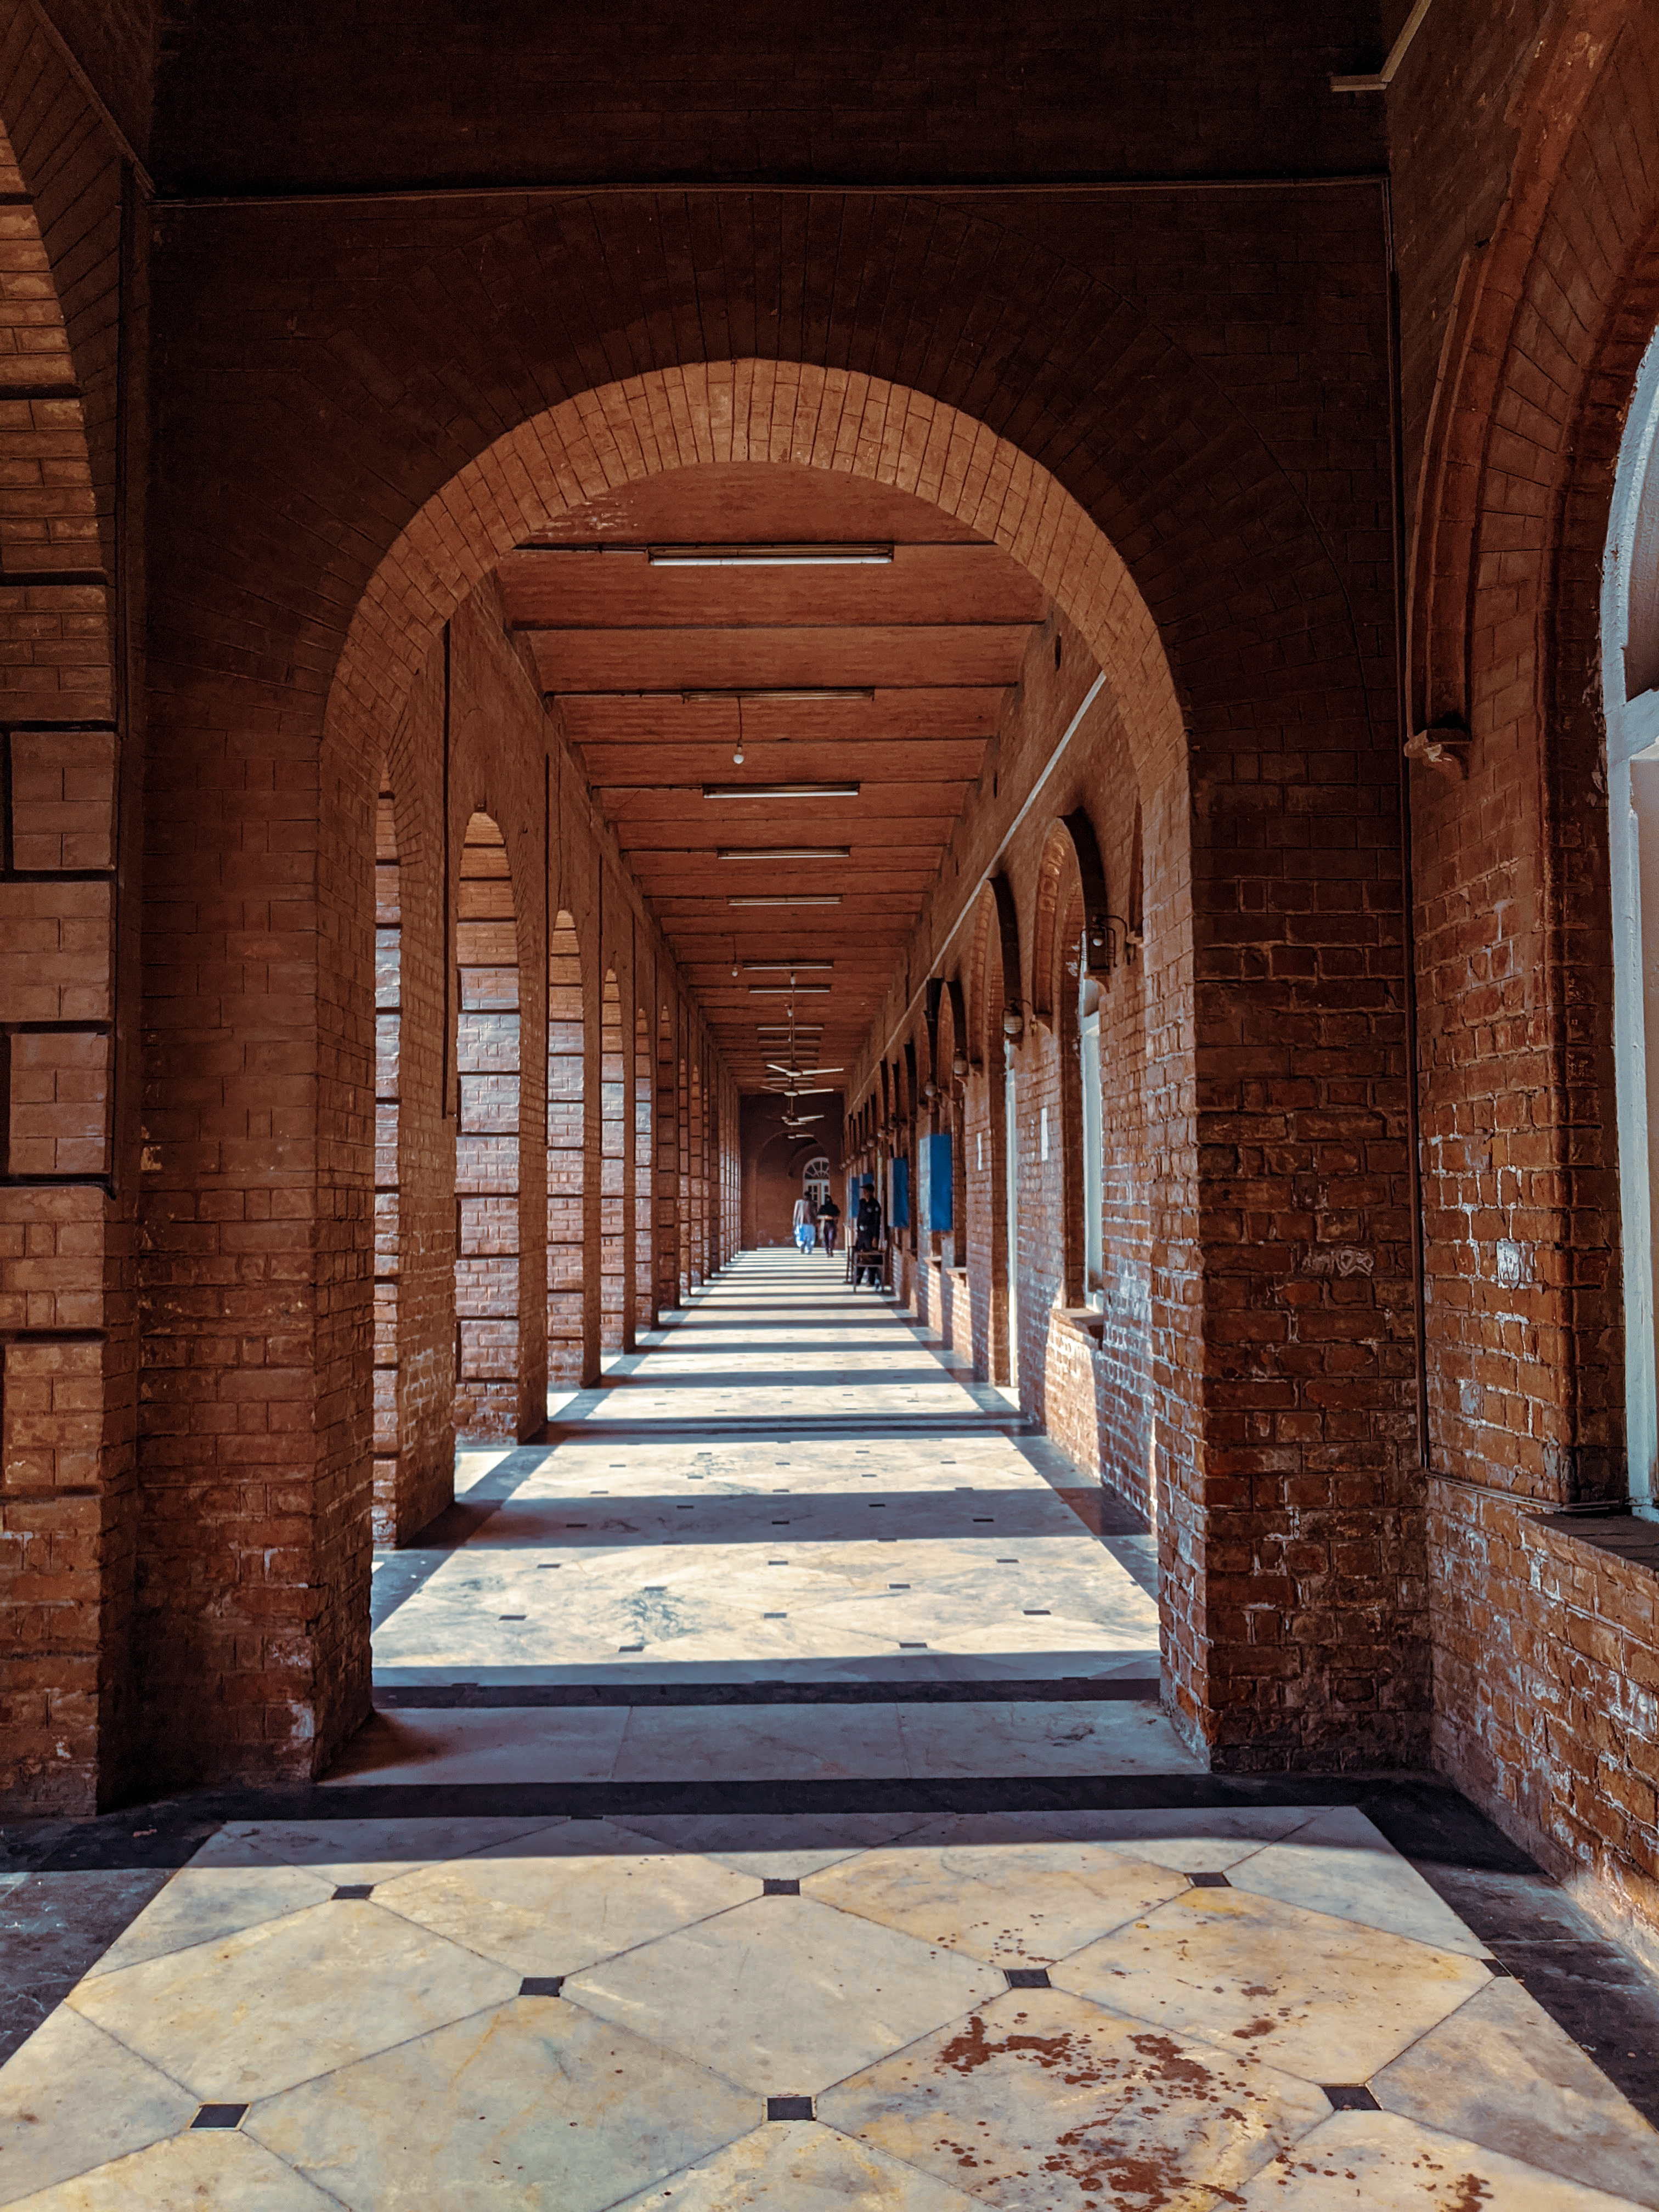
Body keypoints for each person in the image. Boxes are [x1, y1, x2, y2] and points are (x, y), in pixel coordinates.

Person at [851, 1176, 885, 1288]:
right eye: (863, 1191)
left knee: (870, 1257)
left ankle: (871, 1281)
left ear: (871, 1192)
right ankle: (857, 1280)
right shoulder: (862, 1203)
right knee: (860, 1256)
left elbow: (877, 1222)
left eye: (866, 1191)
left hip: (870, 1234)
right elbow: (859, 1217)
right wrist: (858, 1234)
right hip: (862, 1234)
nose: (864, 1193)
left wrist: (875, 1237)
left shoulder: (875, 1205)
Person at [792, 1189, 817, 1254]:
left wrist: (795, 1222)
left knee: (801, 1236)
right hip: (810, 1223)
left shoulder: (799, 1202)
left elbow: (795, 1213)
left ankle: (802, 1246)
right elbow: (814, 1213)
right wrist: (816, 1222)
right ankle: (808, 1249)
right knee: (810, 1237)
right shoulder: (812, 1203)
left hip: (801, 1222)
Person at [817, 1189, 841, 1257]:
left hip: (832, 1224)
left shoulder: (834, 1207)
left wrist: (833, 1218)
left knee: (831, 1237)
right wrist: (825, 1217)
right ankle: (827, 1250)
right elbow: (818, 1216)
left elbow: (838, 1214)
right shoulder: (823, 1208)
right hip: (824, 1224)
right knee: (826, 1238)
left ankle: (831, 1250)